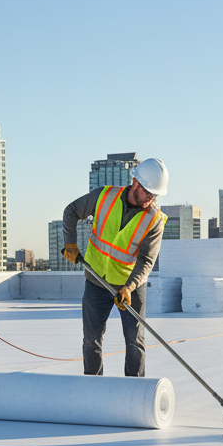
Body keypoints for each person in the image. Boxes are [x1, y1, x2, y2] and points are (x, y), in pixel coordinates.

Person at [62, 159, 168, 377]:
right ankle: (94, 386)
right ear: (135, 182)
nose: (150, 198)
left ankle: (134, 389)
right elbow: (71, 210)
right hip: (96, 281)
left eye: (154, 195)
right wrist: (70, 243)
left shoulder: (154, 220)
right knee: (91, 339)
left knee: (135, 341)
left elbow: (146, 261)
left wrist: (129, 287)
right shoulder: (104, 196)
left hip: (130, 288)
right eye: (148, 192)